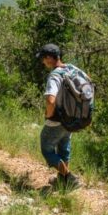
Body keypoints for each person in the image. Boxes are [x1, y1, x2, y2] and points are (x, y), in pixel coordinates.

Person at [36, 43, 80, 191]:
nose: (42, 62)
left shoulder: (55, 75)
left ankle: (69, 177)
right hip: (72, 119)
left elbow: (50, 100)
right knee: (63, 148)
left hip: (57, 120)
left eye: (43, 59)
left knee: (47, 150)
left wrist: (48, 114)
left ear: (49, 58)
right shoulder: (72, 69)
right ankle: (63, 182)